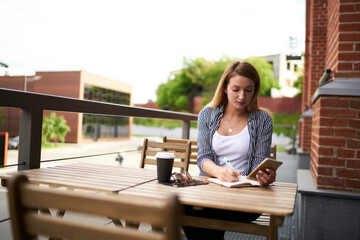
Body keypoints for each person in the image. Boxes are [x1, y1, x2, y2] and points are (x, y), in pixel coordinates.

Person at [183, 61, 276, 240]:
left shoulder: (263, 119)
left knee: (202, 216)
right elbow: (203, 158)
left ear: (254, 91)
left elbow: (259, 162)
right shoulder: (206, 115)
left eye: (248, 90)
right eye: (236, 89)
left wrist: (264, 175)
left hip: (246, 198)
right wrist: (220, 173)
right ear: (225, 87)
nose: (242, 96)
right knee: (182, 207)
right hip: (210, 192)